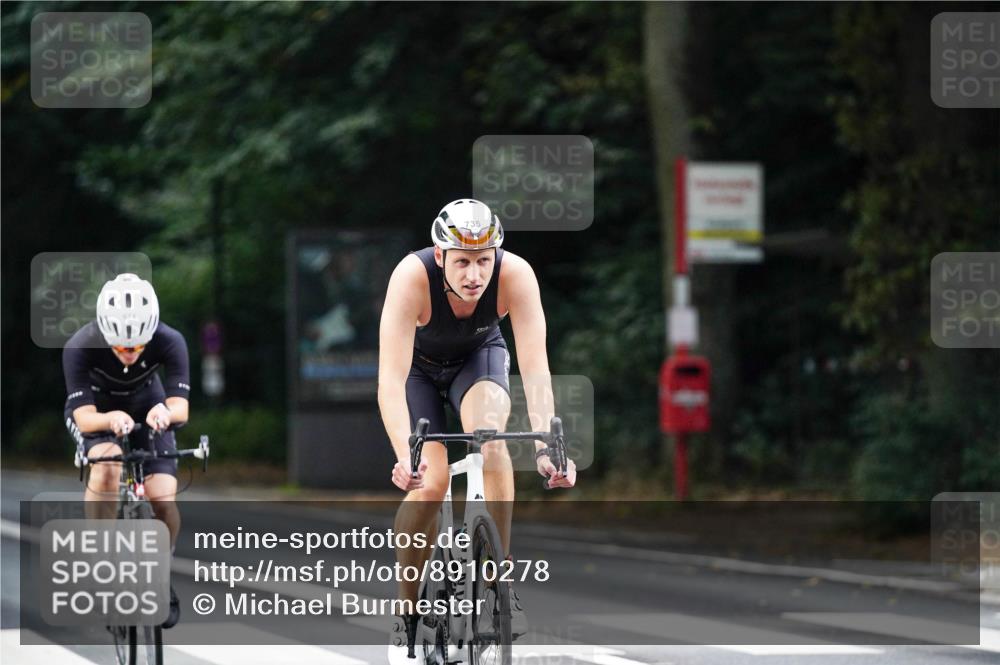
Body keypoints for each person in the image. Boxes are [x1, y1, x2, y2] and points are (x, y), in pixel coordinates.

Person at [378, 199, 577, 658]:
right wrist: (403, 456)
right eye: (463, 261)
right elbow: (389, 378)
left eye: (484, 261)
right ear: (440, 254)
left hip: (477, 359)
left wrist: (549, 444)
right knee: (432, 483)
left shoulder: (517, 275)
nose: (474, 275)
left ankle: (498, 582)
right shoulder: (411, 277)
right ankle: (407, 615)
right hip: (416, 372)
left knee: (491, 441)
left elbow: (535, 368)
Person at [62, 273, 190, 629]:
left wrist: (163, 412)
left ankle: (161, 577)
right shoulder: (80, 345)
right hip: (97, 410)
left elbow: (181, 408)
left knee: (163, 498)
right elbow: (84, 419)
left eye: (137, 347)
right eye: (120, 347)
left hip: (149, 404)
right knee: (106, 468)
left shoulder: (170, 340)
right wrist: (110, 417)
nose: (130, 354)